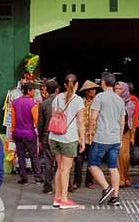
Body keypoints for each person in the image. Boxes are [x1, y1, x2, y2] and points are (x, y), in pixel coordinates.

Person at [88, 72, 126, 207]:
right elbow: (123, 121)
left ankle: (106, 187)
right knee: (113, 167)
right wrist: (120, 138)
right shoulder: (120, 99)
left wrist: (90, 132)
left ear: (103, 83)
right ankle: (115, 197)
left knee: (92, 164)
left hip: (101, 137)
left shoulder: (100, 97)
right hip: (115, 138)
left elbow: (93, 118)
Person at [49, 74, 86, 209]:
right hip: (68, 137)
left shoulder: (57, 98)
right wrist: (82, 140)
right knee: (66, 169)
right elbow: (81, 122)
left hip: (54, 136)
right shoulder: (78, 100)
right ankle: (64, 199)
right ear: (76, 85)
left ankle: (57, 198)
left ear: (64, 85)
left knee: (59, 167)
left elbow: (54, 116)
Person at [10, 82, 42, 184]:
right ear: (29, 91)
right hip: (29, 133)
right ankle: (37, 177)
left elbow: (13, 120)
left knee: (21, 156)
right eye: (33, 90)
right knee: (34, 156)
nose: (34, 92)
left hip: (17, 133)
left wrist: (12, 131)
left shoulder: (15, 103)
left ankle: (23, 177)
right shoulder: (33, 104)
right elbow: (36, 121)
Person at [73, 80, 100, 190]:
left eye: (94, 90)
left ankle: (89, 181)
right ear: (86, 92)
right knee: (79, 160)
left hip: (94, 135)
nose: (93, 92)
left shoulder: (98, 102)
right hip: (81, 135)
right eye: (91, 90)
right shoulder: (80, 102)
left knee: (92, 160)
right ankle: (77, 181)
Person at [37, 79, 59, 194]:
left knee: (48, 161)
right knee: (62, 162)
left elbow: (40, 124)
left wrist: (40, 138)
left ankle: (48, 186)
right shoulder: (63, 102)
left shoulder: (43, 104)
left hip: (47, 135)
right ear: (57, 90)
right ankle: (66, 184)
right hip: (61, 135)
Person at [114, 81, 136, 188]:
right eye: (116, 88)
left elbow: (130, 119)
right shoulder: (112, 100)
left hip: (125, 131)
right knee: (116, 155)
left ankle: (125, 176)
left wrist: (132, 136)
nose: (117, 91)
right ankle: (120, 178)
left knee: (124, 156)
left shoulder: (130, 103)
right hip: (114, 131)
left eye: (120, 89)